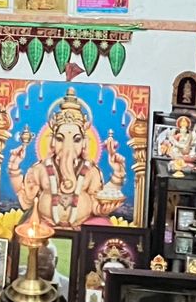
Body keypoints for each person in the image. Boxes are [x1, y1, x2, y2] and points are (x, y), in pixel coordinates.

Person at [7, 87, 126, 228]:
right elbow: (26, 201)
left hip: (81, 226)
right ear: (52, 141)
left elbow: (96, 205)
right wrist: (14, 169)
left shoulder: (91, 172)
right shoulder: (40, 169)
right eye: (60, 139)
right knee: (27, 228)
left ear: (84, 143)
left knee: (104, 226)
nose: (67, 147)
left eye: (76, 140)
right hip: (45, 226)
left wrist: (117, 175)